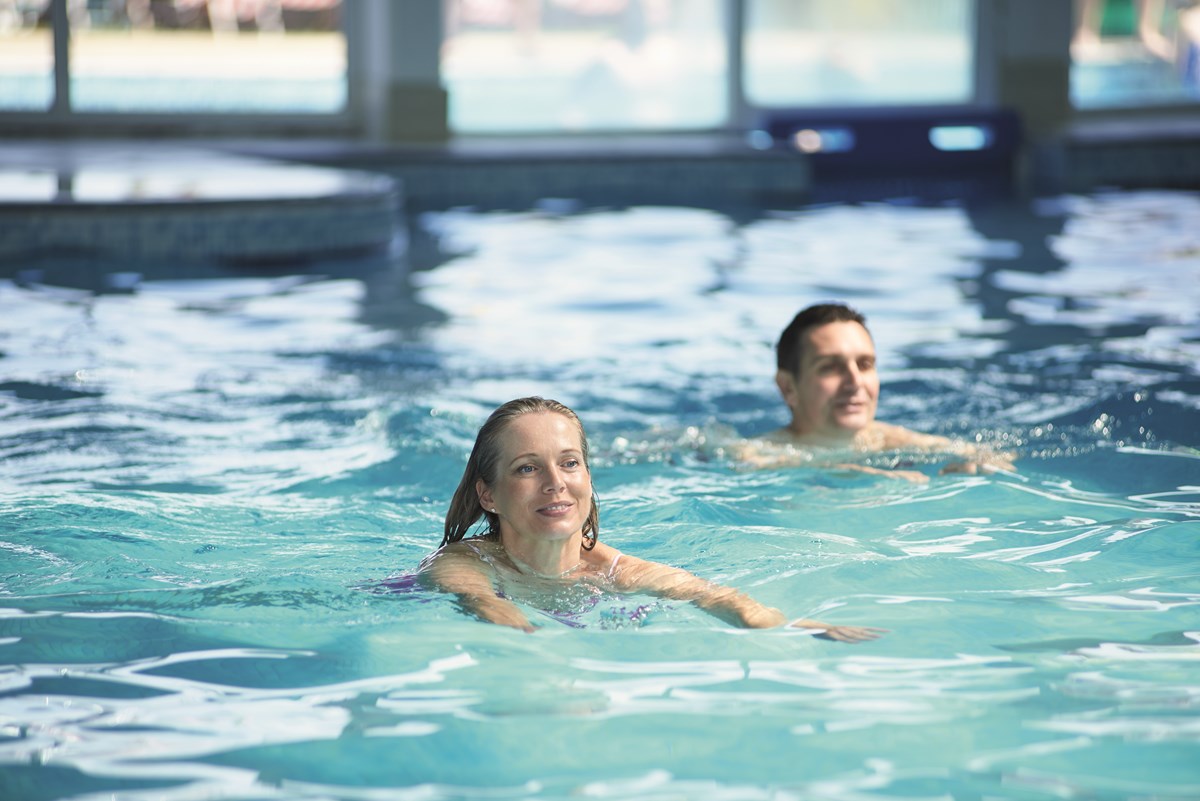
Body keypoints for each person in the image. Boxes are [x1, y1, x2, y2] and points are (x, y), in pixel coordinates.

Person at [418, 396, 883, 641]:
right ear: (489, 495)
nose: (555, 482)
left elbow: (713, 597)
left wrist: (794, 629)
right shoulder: (465, 562)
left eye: (569, 462)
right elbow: (483, 603)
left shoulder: (614, 571)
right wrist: (530, 641)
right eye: (527, 468)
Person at [739, 303, 1015, 480]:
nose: (854, 380)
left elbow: (993, 454)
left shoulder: (892, 440)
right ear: (788, 386)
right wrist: (856, 475)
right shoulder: (756, 453)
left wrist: (977, 464)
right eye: (830, 367)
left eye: (865, 364)